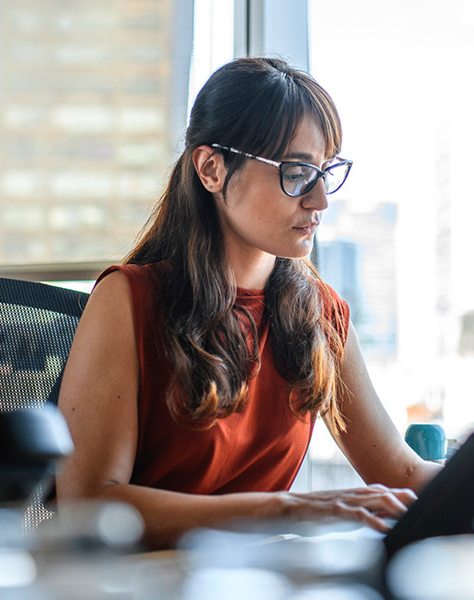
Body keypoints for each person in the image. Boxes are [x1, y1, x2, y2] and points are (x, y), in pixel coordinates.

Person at [56, 57, 441, 550]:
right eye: (299, 172)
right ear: (212, 169)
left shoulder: (319, 314)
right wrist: (287, 510)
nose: (321, 200)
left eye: (326, 172)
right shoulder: (129, 298)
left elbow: (402, 471)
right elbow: (88, 503)